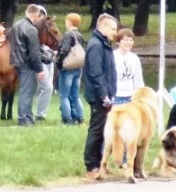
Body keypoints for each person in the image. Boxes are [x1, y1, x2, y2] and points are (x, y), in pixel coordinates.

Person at [83, 13, 118, 178]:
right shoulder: (96, 45)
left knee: (103, 130)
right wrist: (104, 95)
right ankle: (91, 166)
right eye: (112, 29)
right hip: (98, 95)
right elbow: (96, 73)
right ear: (103, 27)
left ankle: (100, 163)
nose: (114, 32)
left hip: (107, 94)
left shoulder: (105, 44)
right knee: (96, 130)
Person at [10, 4, 45, 126]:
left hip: (17, 62)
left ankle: (28, 117)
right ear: (35, 15)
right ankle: (23, 119)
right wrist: (40, 69)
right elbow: (34, 52)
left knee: (26, 91)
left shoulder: (16, 25)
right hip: (27, 63)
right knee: (27, 92)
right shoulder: (31, 29)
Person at [56, 13, 85, 125]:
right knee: (75, 95)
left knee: (64, 95)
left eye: (66, 21)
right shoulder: (79, 35)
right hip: (78, 68)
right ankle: (80, 118)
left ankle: (67, 119)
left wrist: (59, 62)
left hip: (68, 68)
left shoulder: (69, 35)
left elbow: (64, 50)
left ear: (70, 22)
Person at [112, 28, 144, 105]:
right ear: (118, 42)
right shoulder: (112, 56)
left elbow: (138, 79)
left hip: (130, 97)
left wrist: (140, 96)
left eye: (131, 40)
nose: (128, 43)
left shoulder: (134, 58)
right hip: (116, 96)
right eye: (125, 40)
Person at [36, 5, 54, 121]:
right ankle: (40, 114)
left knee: (44, 88)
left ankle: (41, 112)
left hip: (48, 60)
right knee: (48, 87)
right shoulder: (34, 30)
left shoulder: (47, 30)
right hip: (40, 62)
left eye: (42, 15)